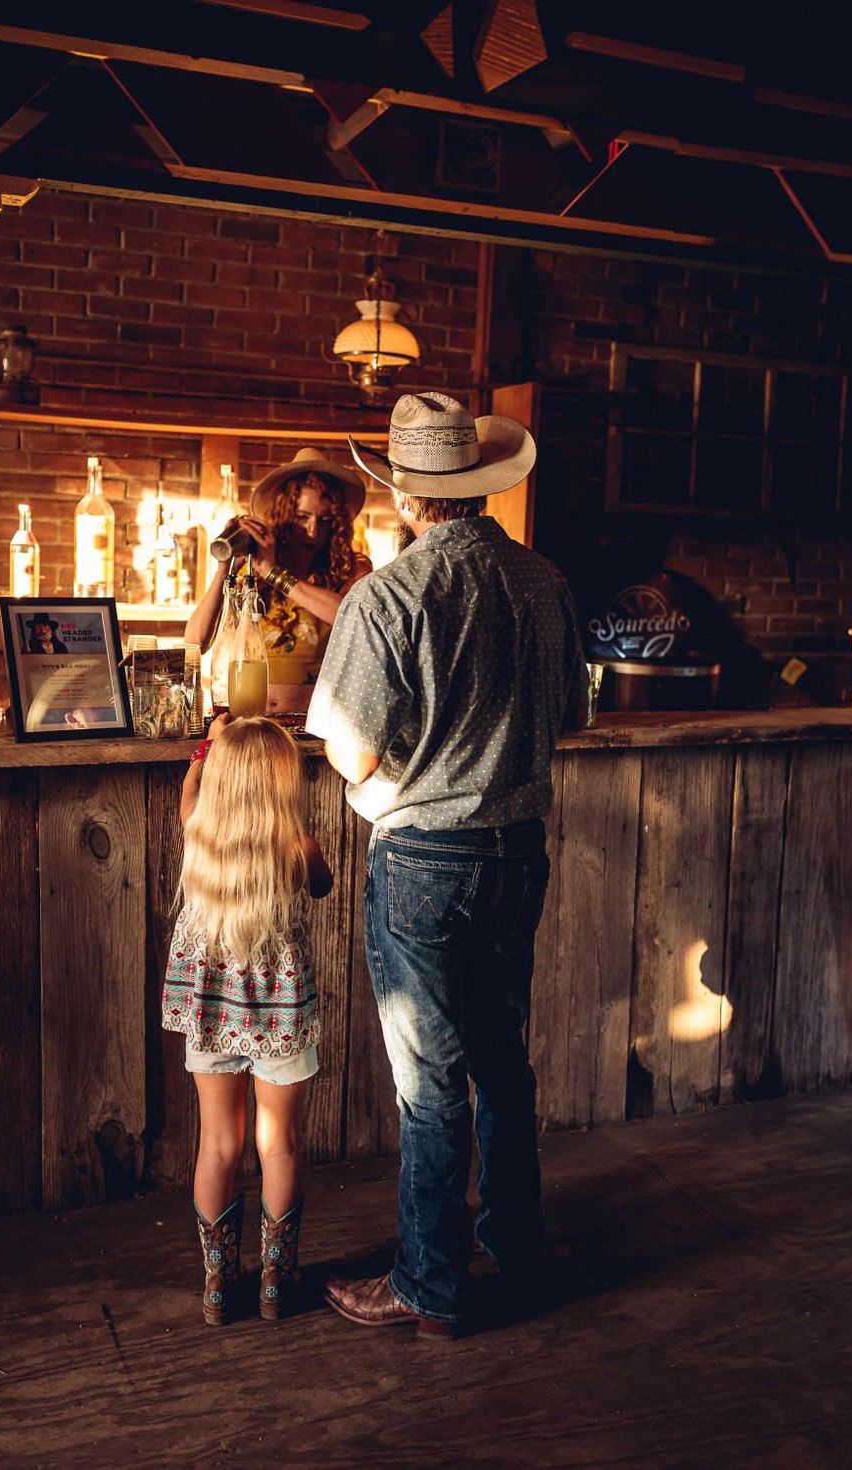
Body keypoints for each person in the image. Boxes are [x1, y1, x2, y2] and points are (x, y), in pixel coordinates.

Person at [305, 392, 588, 1340]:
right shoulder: (544, 581)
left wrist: (409, 771)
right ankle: (518, 1243)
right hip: (518, 849)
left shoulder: (386, 597)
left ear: (403, 495)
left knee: (429, 1083)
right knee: (504, 1060)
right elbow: (569, 720)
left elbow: (349, 754)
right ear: (478, 485)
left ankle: (430, 1284)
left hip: (425, 856)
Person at [161, 715, 333, 1324]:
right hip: (280, 1014)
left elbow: (189, 796)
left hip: (210, 1011)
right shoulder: (296, 848)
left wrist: (203, 751)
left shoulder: (197, 832)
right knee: (277, 1143)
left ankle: (216, 1283)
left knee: (218, 1143)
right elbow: (322, 885)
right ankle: (274, 1285)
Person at [185, 448, 372, 713]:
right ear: (284, 513)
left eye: (324, 520)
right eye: (302, 517)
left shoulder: (351, 569)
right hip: (249, 725)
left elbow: (349, 614)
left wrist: (274, 573)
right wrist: (223, 569)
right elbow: (195, 643)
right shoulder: (252, 571)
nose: (312, 531)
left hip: (315, 726)